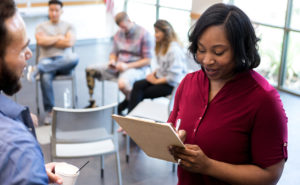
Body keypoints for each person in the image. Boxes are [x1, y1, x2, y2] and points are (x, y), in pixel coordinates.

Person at [168, 3, 288, 185]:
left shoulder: (263, 99)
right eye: (201, 50)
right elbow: (172, 128)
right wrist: (171, 142)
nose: (207, 60)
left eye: (218, 52)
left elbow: (270, 175)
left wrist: (208, 166)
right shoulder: (189, 83)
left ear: (242, 49)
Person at [0, 0, 62, 184]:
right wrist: (25, 167)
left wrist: (23, 172)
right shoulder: (18, 148)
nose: (28, 54)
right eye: (21, 49)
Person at [85, 12, 154, 114]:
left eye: (124, 27)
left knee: (122, 84)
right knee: (90, 69)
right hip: (119, 65)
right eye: (120, 27)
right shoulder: (119, 33)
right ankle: (92, 101)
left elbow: (147, 60)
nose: (123, 30)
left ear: (129, 21)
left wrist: (127, 66)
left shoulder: (144, 34)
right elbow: (113, 53)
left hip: (136, 67)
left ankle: (132, 103)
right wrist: (112, 61)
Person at [27, 0, 79, 124]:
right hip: (46, 59)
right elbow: (41, 41)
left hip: (63, 61)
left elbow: (69, 42)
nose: (54, 13)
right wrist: (59, 38)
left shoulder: (68, 26)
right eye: (51, 10)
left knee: (74, 57)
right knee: (45, 77)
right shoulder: (41, 26)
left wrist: (49, 39)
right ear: (48, 10)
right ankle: (50, 112)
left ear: (61, 11)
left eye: (56, 10)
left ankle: (38, 68)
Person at [127, 19, 187, 113]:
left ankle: (128, 115)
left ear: (165, 33)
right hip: (162, 78)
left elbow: (174, 78)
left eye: (157, 32)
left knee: (141, 93)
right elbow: (163, 67)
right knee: (137, 85)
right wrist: (154, 74)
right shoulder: (163, 46)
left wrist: (155, 81)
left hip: (171, 84)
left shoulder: (174, 51)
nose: (155, 35)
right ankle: (128, 115)